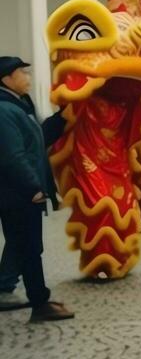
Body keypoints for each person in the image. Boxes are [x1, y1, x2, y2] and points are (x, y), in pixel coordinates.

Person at [0, 56, 73, 322]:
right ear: (6, 79)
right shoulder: (5, 110)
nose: (27, 78)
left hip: (19, 192)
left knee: (24, 245)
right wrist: (33, 187)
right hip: (17, 193)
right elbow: (12, 155)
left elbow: (38, 140)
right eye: (21, 73)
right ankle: (39, 303)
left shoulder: (17, 106)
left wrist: (61, 119)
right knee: (29, 246)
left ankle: (30, 295)